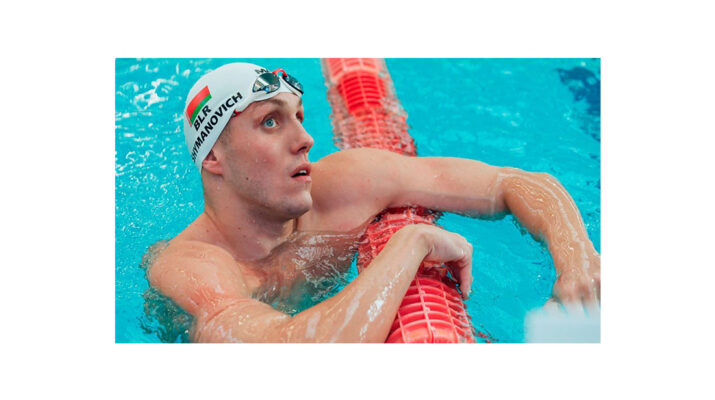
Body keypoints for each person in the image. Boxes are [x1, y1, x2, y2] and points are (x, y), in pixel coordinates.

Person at [147, 62, 601, 343]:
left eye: (299, 118)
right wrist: (411, 243)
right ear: (214, 157)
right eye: (270, 122)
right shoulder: (192, 270)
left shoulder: (341, 185)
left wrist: (577, 258)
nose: (305, 139)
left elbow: (512, 183)